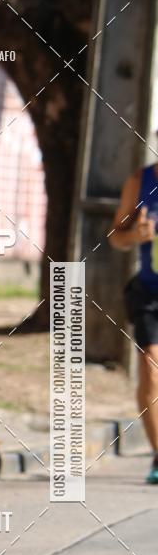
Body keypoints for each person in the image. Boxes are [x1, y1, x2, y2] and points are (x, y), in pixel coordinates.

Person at [110, 162, 158, 483]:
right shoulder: (140, 180)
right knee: (150, 366)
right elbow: (115, 236)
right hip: (149, 293)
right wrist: (134, 234)